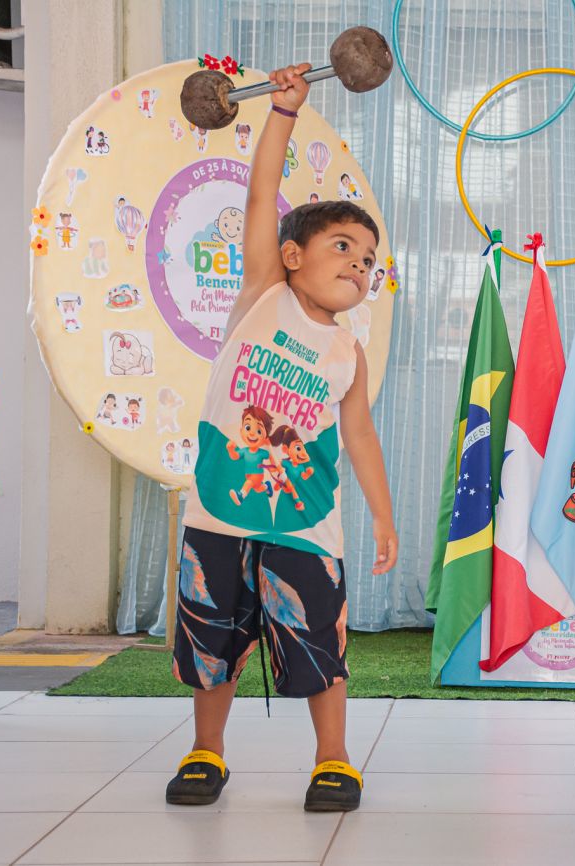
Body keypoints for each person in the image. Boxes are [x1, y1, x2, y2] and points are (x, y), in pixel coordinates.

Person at [166, 63, 397, 813]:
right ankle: (206, 751)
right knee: (213, 641)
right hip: (218, 513)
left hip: (305, 524)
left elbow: (359, 435)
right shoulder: (265, 291)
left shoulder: (349, 352)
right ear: (294, 255)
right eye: (344, 247)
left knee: (319, 643)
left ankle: (334, 761)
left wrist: (383, 515)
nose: (359, 264)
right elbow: (262, 196)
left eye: (368, 260)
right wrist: (285, 113)